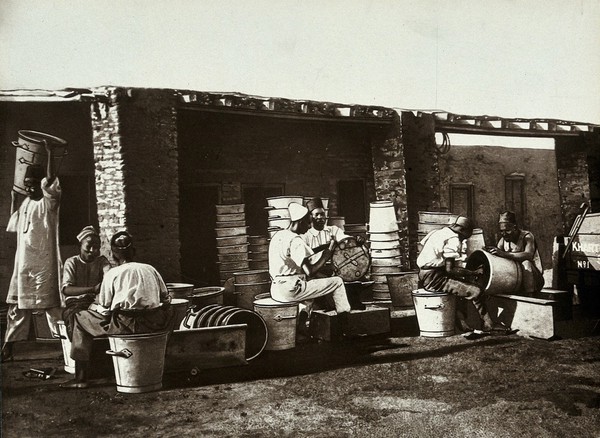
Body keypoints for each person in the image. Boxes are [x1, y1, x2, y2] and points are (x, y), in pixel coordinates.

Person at [61, 231, 173, 389]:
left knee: (80, 318)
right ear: (134, 251)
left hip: (125, 325)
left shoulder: (112, 274)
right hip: (154, 323)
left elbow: (105, 309)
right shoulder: (150, 269)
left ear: (113, 255)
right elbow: (166, 299)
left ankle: (81, 378)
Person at [2, 142, 63, 363]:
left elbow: (50, 180)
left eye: (33, 184)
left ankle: (66, 347)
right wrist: (13, 199)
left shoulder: (49, 203)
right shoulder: (26, 203)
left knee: (52, 309)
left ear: (41, 185)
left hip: (44, 265)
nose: (29, 188)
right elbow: (14, 225)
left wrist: (48, 154)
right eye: (26, 184)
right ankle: (8, 348)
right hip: (24, 265)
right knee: (17, 308)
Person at [269, 202, 352, 337]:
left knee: (309, 290)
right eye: (308, 223)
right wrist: (327, 254)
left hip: (276, 288)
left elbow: (301, 253)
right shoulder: (296, 240)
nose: (309, 227)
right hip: (291, 290)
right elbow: (310, 271)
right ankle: (345, 327)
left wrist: (324, 246)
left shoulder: (279, 235)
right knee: (337, 281)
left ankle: (302, 327)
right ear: (300, 221)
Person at [417, 215, 510, 334]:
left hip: (425, 274)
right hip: (434, 278)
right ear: (463, 230)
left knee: (462, 291)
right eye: (468, 233)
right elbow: (450, 270)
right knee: (476, 291)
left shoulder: (439, 232)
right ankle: (489, 325)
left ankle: (464, 326)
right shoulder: (453, 239)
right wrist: (474, 272)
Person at [61, 226, 111, 341]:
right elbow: (66, 289)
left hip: (96, 303)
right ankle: (80, 353)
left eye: (97, 247)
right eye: (88, 246)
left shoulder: (101, 261)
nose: (93, 250)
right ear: (80, 246)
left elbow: (109, 277)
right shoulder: (72, 262)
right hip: (76, 303)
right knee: (76, 317)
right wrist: (93, 289)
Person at [301, 197, 365, 278]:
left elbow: (345, 239)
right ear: (311, 217)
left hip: (336, 271)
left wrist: (356, 240)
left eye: (322, 214)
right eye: (316, 215)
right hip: (316, 274)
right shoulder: (306, 236)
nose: (320, 217)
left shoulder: (334, 230)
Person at [487, 211, 544, 296]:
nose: (504, 234)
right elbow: (498, 257)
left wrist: (504, 254)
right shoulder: (503, 240)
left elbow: (528, 255)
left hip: (534, 279)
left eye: (507, 231)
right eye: (501, 231)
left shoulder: (527, 236)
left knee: (526, 263)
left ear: (515, 227)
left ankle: (530, 296)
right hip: (516, 279)